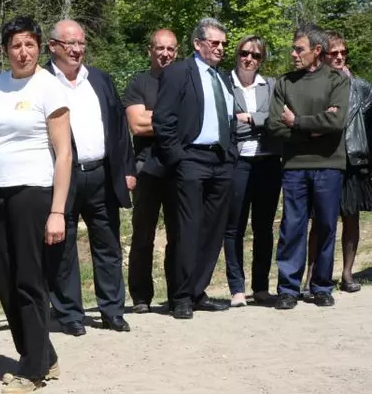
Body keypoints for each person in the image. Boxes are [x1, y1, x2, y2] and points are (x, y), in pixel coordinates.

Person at [0, 16, 72, 394]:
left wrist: (57, 210)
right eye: (15, 45)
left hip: (34, 194)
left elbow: (64, 155)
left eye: (29, 44)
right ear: (6, 50)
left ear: (39, 46)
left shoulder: (49, 87)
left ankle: (32, 369)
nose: (23, 52)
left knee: (29, 280)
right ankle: (44, 353)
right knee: (4, 279)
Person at [45, 19, 135, 335]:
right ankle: (70, 314)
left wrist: (127, 169)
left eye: (81, 43)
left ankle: (112, 310)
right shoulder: (41, 82)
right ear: (53, 45)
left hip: (101, 174)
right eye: (70, 43)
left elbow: (119, 128)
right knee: (62, 247)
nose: (77, 49)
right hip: (61, 178)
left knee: (108, 243)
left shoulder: (99, 79)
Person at [150, 17, 235, 319]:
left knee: (212, 231)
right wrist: (179, 158)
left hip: (221, 161)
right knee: (187, 230)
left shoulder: (223, 77)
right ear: (198, 44)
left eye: (224, 43)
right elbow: (163, 119)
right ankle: (181, 296)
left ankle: (198, 291)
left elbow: (230, 119)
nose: (221, 48)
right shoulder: (178, 72)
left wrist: (231, 155)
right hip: (191, 160)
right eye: (215, 43)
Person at [267, 24, 350, 309]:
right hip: (294, 167)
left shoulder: (337, 80)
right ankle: (288, 289)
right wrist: (315, 127)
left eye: (299, 49)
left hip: (329, 165)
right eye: (293, 48)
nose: (293, 54)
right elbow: (274, 126)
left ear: (316, 51)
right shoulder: (284, 83)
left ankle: (321, 286)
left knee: (326, 226)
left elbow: (336, 122)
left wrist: (298, 122)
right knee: (292, 227)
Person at [304, 30, 372, 294]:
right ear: (323, 55)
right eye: (334, 53)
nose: (340, 57)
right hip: (322, 158)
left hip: (354, 159)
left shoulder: (363, 87)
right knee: (321, 220)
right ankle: (312, 276)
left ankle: (346, 274)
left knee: (351, 218)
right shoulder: (313, 84)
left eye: (343, 52)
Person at [222, 36, 280, 307]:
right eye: (245, 53)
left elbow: (277, 118)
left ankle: (260, 287)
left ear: (261, 60)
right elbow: (227, 123)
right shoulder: (224, 83)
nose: (249, 59)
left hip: (267, 162)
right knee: (234, 227)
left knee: (264, 228)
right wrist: (259, 121)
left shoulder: (270, 85)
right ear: (237, 54)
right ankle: (237, 288)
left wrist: (250, 118)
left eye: (256, 56)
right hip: (237, 162)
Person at [125, 28, 179, 313]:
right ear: (150, 51)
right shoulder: (139, 83)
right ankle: (141, 296)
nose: (165, 53)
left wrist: (155, 116)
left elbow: (152, 120)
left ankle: (177, 294)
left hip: (178, 168)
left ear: (177, 51)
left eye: (170, 49)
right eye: (160, 48)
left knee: (178, 234)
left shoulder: (184, 81)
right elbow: (137, 124)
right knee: (142, 235)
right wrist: (174, 119)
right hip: (146, 168)